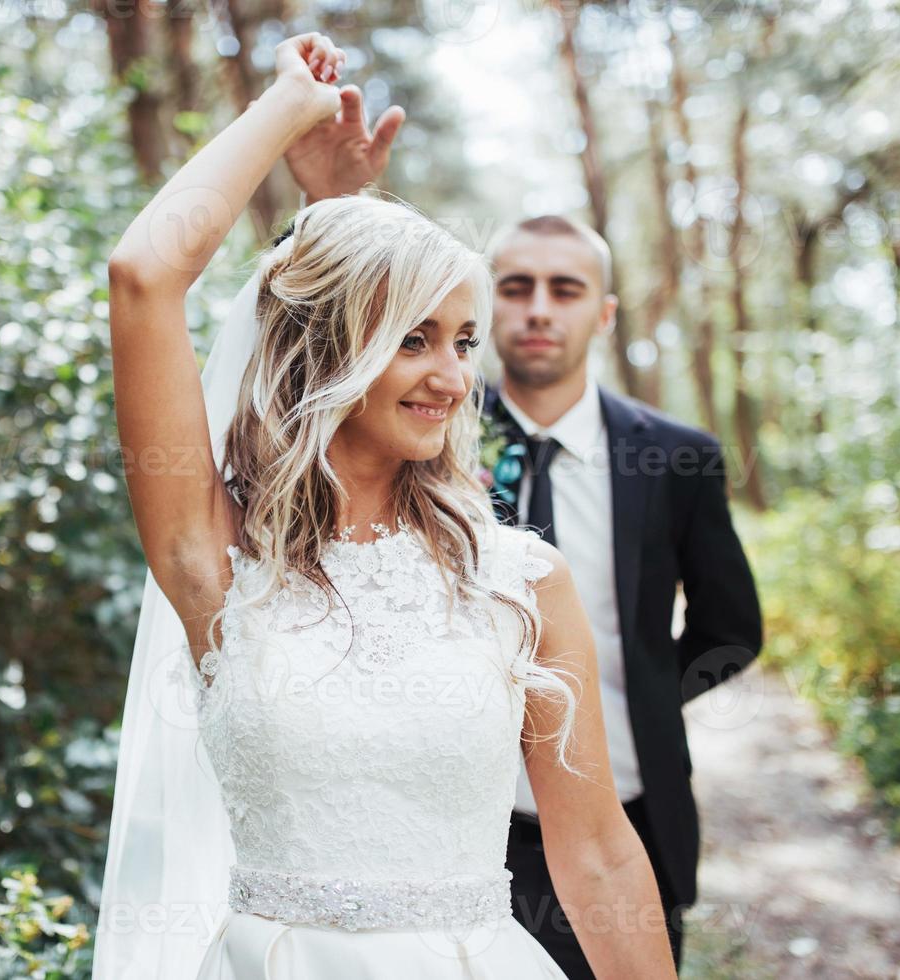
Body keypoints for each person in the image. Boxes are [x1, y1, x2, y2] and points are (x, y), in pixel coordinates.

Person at [94, 32, 676, 980]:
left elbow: (598, 851)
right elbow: (143, 276)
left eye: (462, 340)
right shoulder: (213, 558)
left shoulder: (520, 582)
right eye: (415, 339)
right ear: (329, 353)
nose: (452, 376)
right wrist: (285, 106)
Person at [283, 120, 765, 971]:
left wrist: (639, 701)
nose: (538, 307)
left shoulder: (675, 454)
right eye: (515, 286)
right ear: (485, 301)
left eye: (565, 289)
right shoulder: (423, 433)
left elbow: (732, 628)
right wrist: (331, 202)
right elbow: (332, 344)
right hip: (454, 828)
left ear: (603, 312)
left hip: (625, 805)